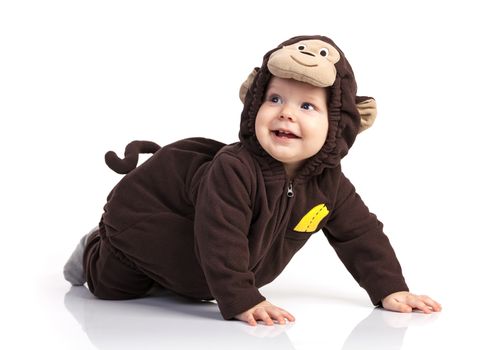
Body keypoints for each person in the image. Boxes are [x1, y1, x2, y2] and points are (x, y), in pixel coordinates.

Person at [64, 35, 441, 326]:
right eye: (275, 99)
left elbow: (361, 235)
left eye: (306, 106)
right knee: (113, 287)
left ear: (337, 124)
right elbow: (220, 234)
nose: (286, 114)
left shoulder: (330, 185)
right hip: (142, 235)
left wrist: (390, 287)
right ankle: (95, 246)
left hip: (195, 270)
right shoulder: (235, 168)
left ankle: (173, 280)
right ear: (254, 104)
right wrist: (242, 298)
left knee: (178, 286)